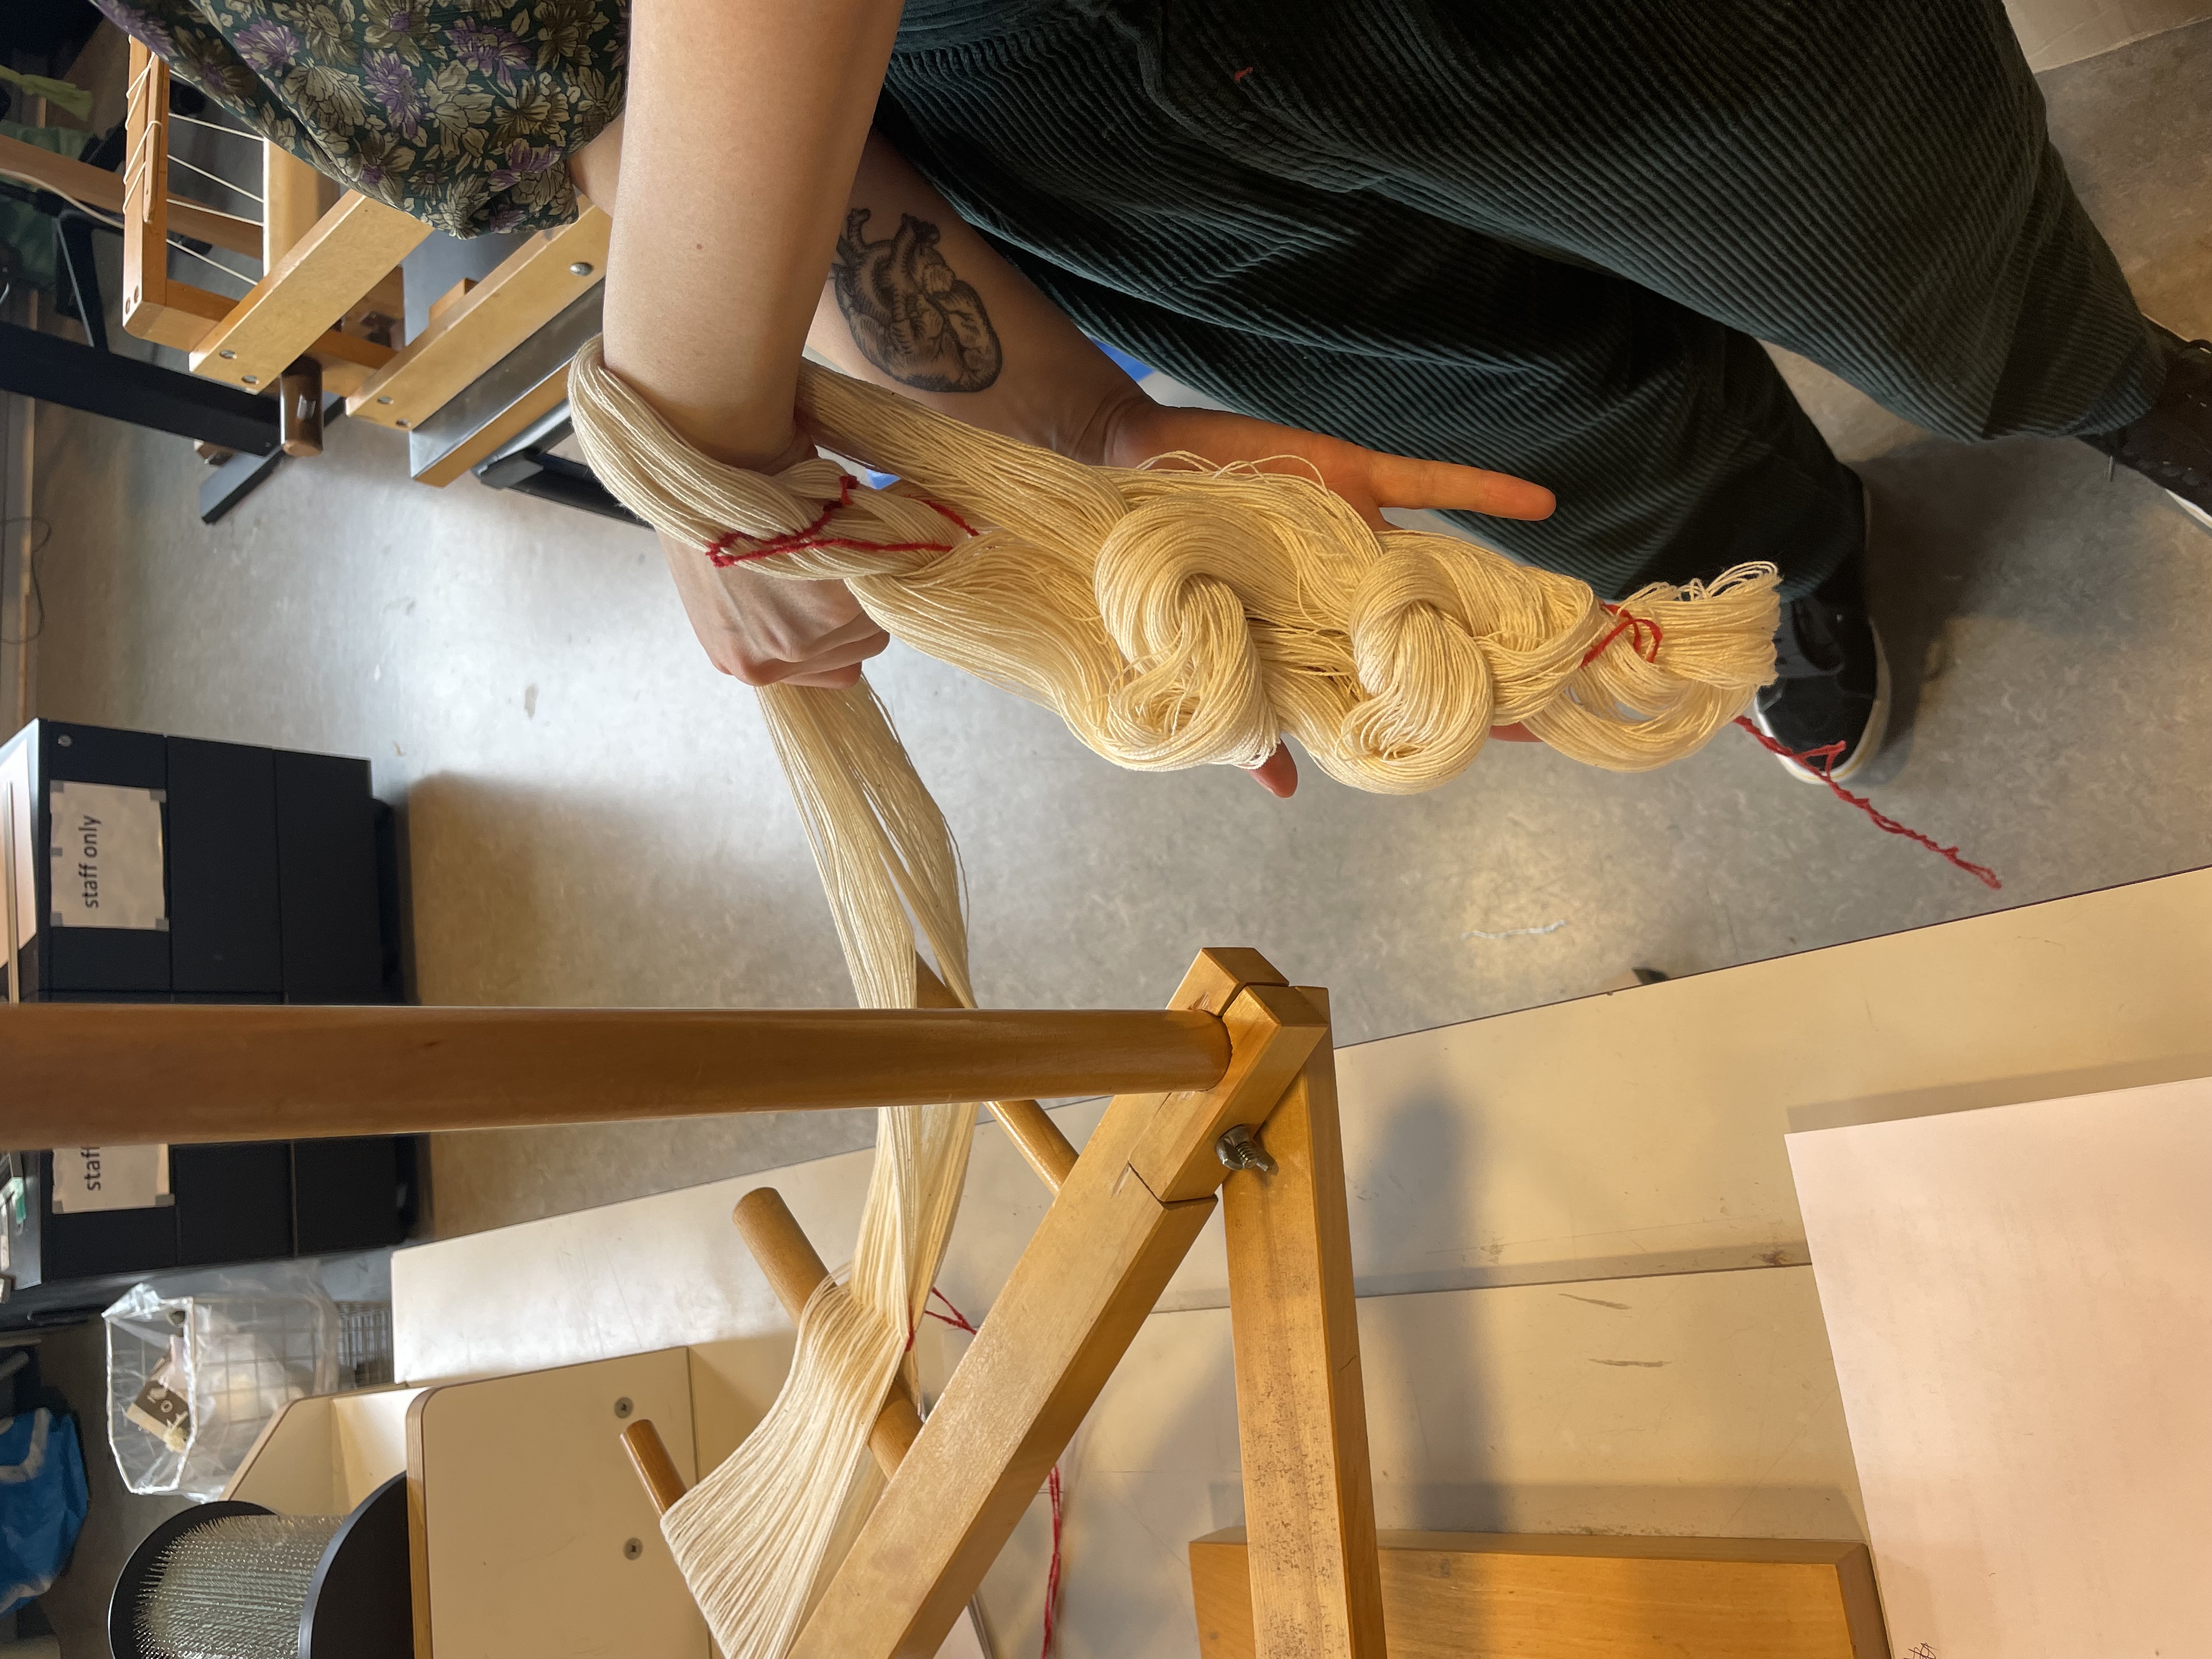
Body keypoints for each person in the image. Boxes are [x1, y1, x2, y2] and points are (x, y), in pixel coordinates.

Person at [94, 0, 2212, 795]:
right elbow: (588, 67)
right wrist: (1078, 443)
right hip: (966, 67)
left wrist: (704, 451)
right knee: (1509, 428)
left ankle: (2106, 380)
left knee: (1854, 178)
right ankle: (1772, 561)